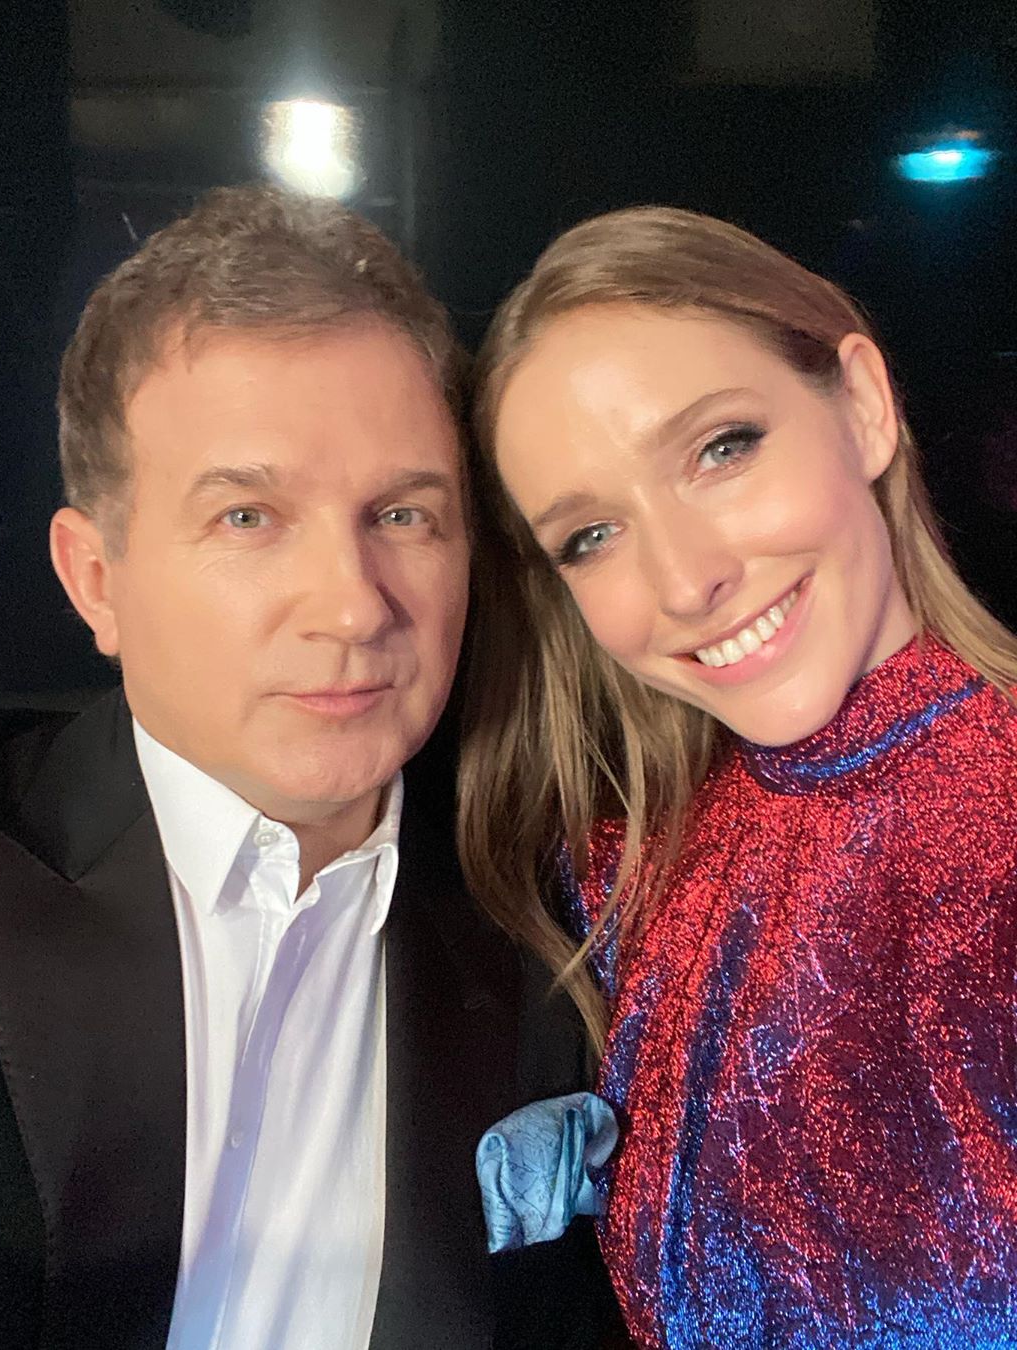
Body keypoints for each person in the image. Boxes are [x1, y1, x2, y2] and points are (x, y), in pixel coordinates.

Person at [0, 185, 620, 1350]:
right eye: (248, 517)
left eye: (403, 515)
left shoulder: (559, 920)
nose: (353, 606)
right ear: (95, 579)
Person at [460, 205, 1017, 1348]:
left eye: (721, 448)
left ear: (862, 407)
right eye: (591, 535)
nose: (684, 581)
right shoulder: (633, 860)